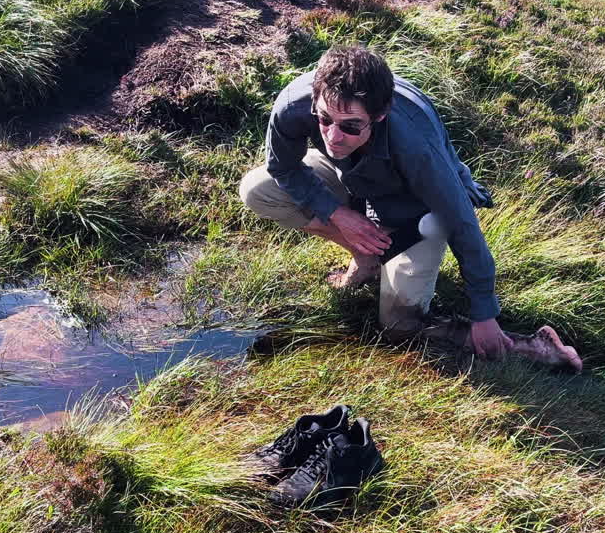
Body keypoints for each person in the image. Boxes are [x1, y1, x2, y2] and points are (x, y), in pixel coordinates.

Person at [239, 45, 581, 372]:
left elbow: (461, 223)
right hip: (351, 176)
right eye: (324, 119)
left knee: (398, 326)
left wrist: (483, 315)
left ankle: (531, 346)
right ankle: (367, 257)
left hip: (418, 206)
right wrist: (338, 214)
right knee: (258, 189)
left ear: (380, 115)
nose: (332, 136)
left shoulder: (417, 148)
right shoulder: (294, 105)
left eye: (350, 126)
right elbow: (283, 168)